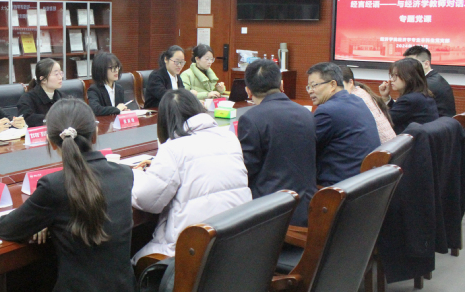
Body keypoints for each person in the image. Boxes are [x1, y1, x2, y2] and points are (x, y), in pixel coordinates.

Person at [0, 99, 137, 292]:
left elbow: (7, 229)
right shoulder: (124, 175)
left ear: (51, 143)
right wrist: (50, 219)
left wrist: (45, 219)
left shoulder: (54, 186)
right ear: (95, 135)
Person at [130, 89, 251, 261]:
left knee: (132, 257)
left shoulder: (173, 148)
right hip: (234, 243)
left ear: (165, 121)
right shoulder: (230, 138)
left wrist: (134, 176)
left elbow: (147, 200)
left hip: (191, 252)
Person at [237, 60, 316, 226]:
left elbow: (246, 171)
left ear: (248, 90)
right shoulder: (306, 113)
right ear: (281, 85)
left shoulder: (251, 119)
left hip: (270, 214)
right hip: (307, 209)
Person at [307, 62, 380, 187]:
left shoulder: (327, 111)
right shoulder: (357, 100)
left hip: (339, 187)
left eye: (314, 86)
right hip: (363, 181)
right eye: (308, 87)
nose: (310, 91)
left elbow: (305, 146)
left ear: (332, 84)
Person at [379, 58, 439, 134]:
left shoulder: (409, 100)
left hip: (412, 140)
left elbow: (385, 120)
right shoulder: (423, 95)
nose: (391, 80)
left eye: (396, 75)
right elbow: (398, 112)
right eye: (392, 75)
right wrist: (386, 97)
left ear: (409, 77)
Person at [340, 66, 396, 144]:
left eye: (340, 86)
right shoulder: (361, 91)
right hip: (390, 146)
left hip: (381, 148)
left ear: (350, 83)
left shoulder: (354, 99)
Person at [402, 46, 456, 117]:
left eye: (411, 64)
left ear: (426, 64)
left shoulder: (428, 84)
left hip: (436, 122)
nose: (407, 68)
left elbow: (405, 109)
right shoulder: (434, 78)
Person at [17, 58, 63, 126]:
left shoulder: (62, 97)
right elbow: (26, 119)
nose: (60, 77)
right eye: (56, 74)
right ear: (43, 79)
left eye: (61, 73)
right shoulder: (27, 99)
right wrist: (52, 119)